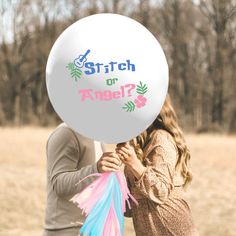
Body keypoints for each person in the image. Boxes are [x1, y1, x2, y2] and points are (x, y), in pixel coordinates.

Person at [116, 94, 199, 236]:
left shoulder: (161, 139)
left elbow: (160, 191)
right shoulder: (141, 145)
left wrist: (134, 163)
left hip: (172, 229)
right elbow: (130, 209)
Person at [43, 122, 121, 236]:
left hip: (92, 227)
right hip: (66, 229)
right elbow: (59, 184)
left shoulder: (98, 135)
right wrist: (95, 169)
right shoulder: (66, 133)